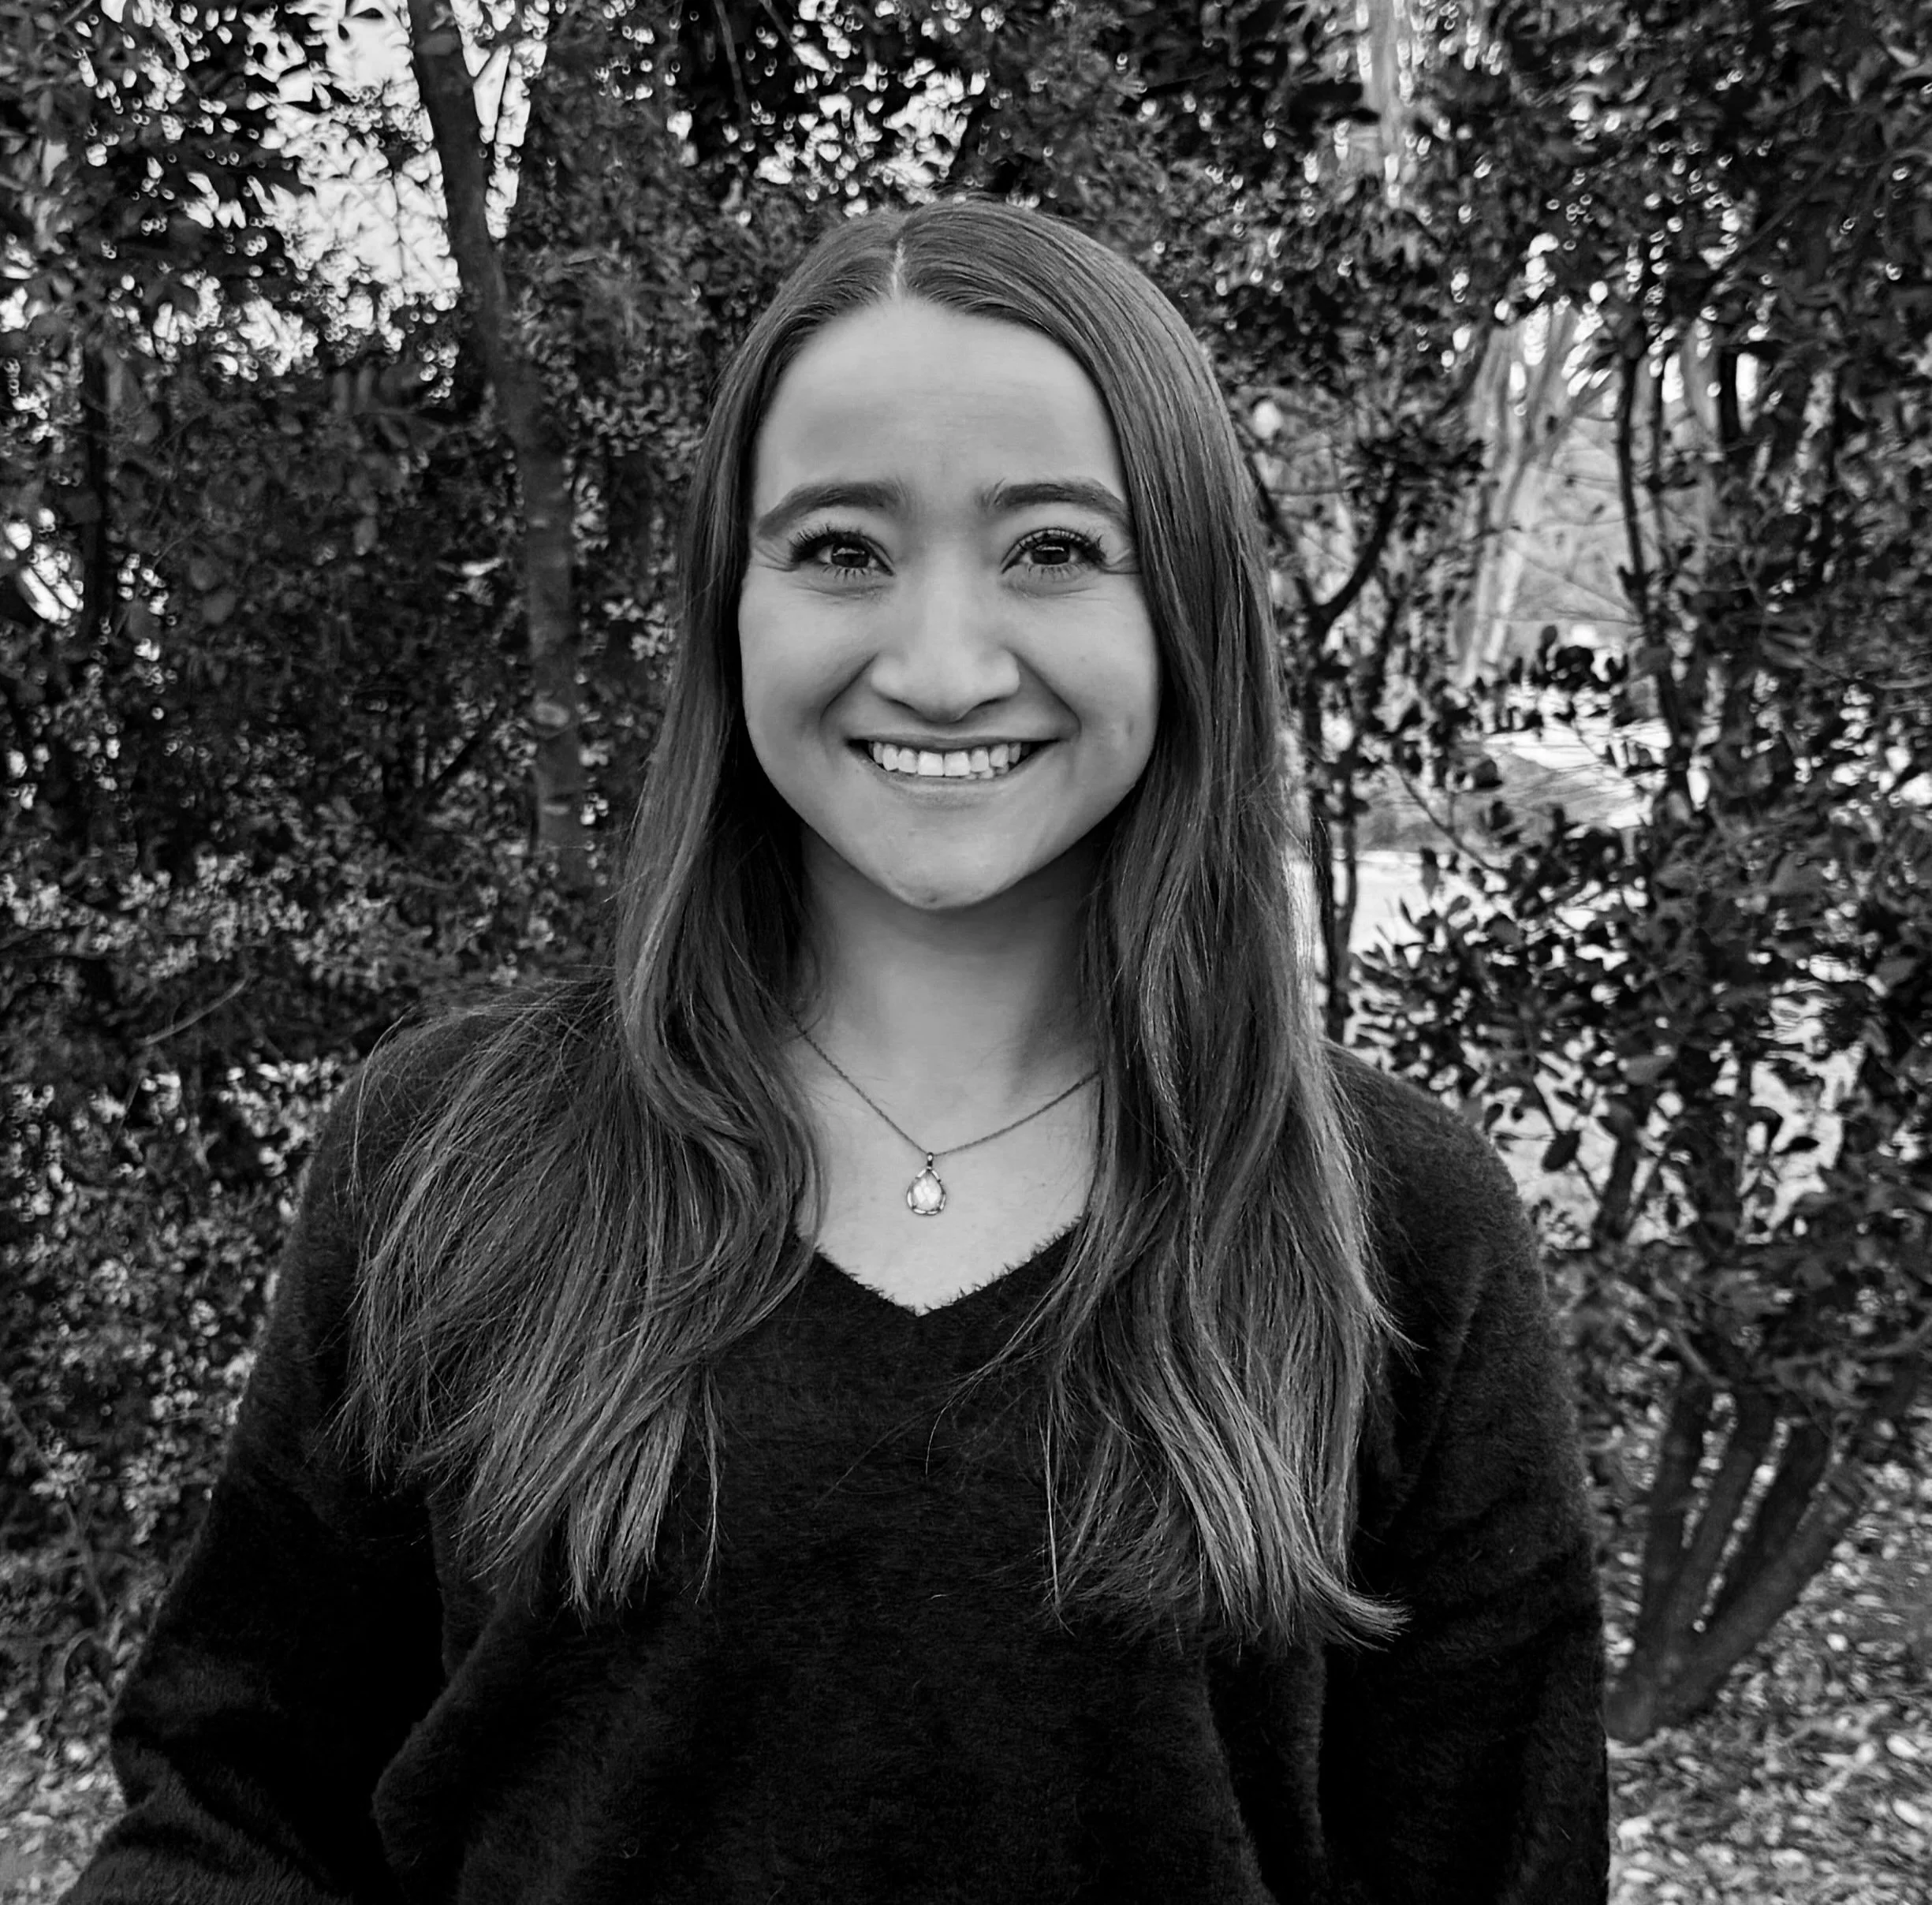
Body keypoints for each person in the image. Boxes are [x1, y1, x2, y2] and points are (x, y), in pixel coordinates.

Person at [68, 197, 1609, 1904]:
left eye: (1050, 549)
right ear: (732, 605)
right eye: (842, 550)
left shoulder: (1395, 1225)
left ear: (1181, 612)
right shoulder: (444, 1151)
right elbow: (241, 1798)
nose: (942, 664)